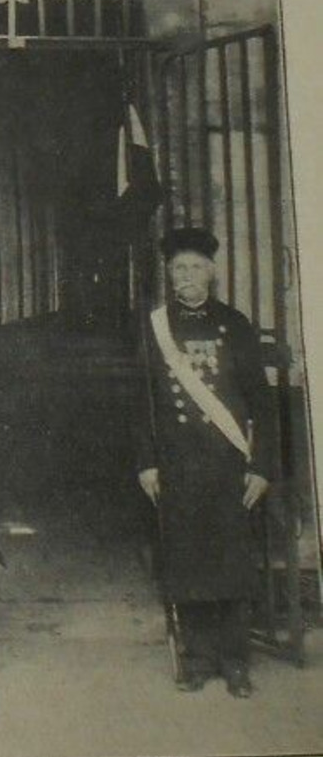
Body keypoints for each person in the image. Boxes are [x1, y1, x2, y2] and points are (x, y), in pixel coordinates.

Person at [136, 228, 274, 698]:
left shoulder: (236, 325)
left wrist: (262, 466)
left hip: (228, 464)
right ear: (169, 276)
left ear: (212, 272)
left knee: (230, 562)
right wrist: (146, 463)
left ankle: (235, 661)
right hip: (177, 465)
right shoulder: (156, 328)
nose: (187, 276)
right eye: (179, 268)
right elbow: (143, 402)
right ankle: (196, 659)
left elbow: (261, 400)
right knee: (187, 560)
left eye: (195, 267)